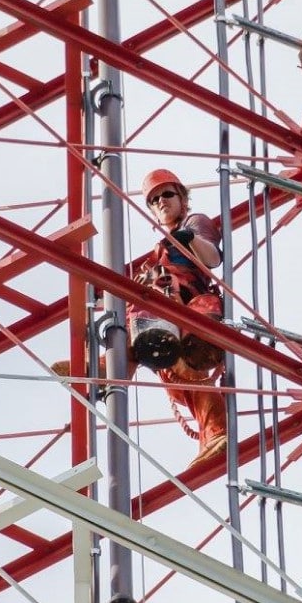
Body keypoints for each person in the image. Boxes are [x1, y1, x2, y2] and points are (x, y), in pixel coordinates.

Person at [128, 168, 228, 466]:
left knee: (188, 371)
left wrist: (188, 239)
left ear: (183, 198)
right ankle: (213, 436)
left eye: (167, 194)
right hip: (162, 317)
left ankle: (215, 434)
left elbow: (212, 258)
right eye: (154, 199)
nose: (160, 201)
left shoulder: (194, 223)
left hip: (186, 307)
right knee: (182, 375)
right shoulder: (158, 251)